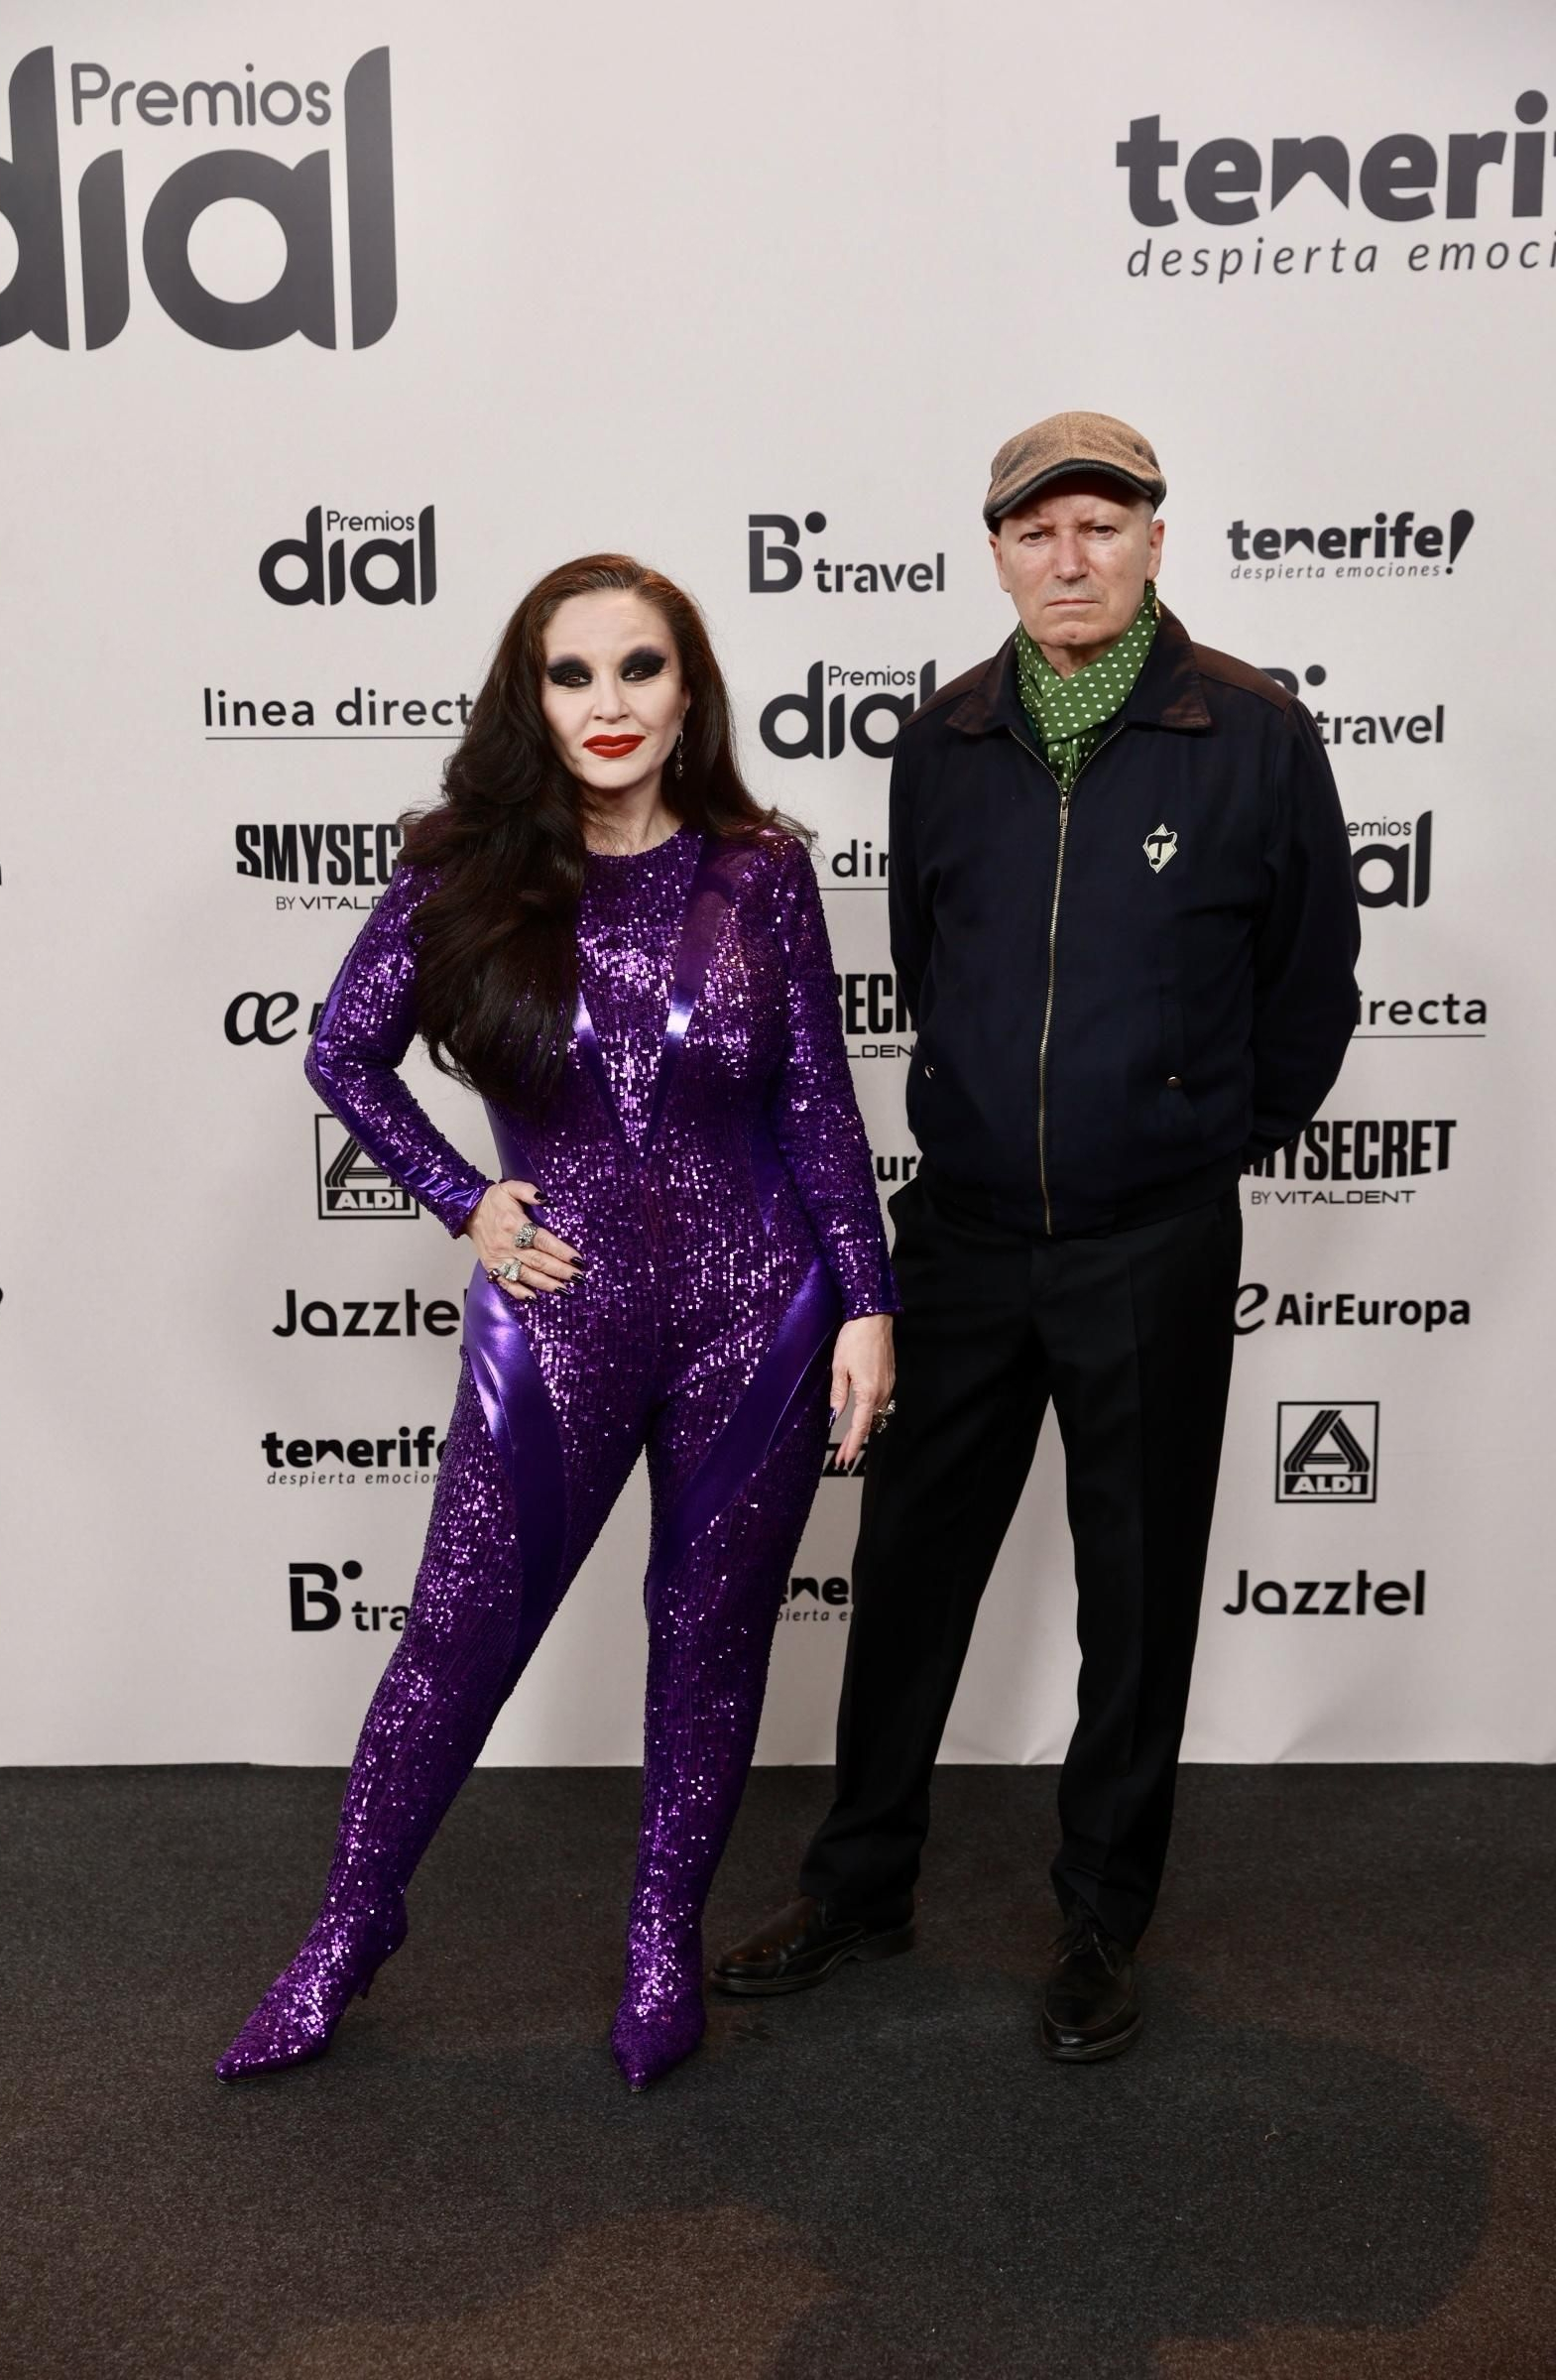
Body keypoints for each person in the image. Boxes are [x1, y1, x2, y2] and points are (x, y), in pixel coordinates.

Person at [715, 413, 1360, 2062]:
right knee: (906, 1573)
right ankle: (861, 1886)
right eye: (1036, 532)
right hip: (968, 1236)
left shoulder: (1254, 731)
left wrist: (1191, 1141)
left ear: (1155, 540)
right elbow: (929, 967)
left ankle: (1098, 1919)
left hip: (1152, 1239)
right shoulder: (942, 740)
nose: (1070, 559)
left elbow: (1309, 993)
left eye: (1101, 526)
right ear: (996, 552)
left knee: (1137, 1596)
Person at [216, 554, 896, 2092]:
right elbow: (341, 1051)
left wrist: (868, 1297)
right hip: (561, 1314)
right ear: (532, 697)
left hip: (759, 1318)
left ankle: (662, 1940)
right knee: (456, 1636)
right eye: (572, 673)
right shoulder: (464, 866)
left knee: (710, 1643)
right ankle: (348, 1928)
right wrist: (465, 1199)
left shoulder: (762, 871)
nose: (609, 703)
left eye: (639, 668)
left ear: (689, 690)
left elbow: (818, 1103)